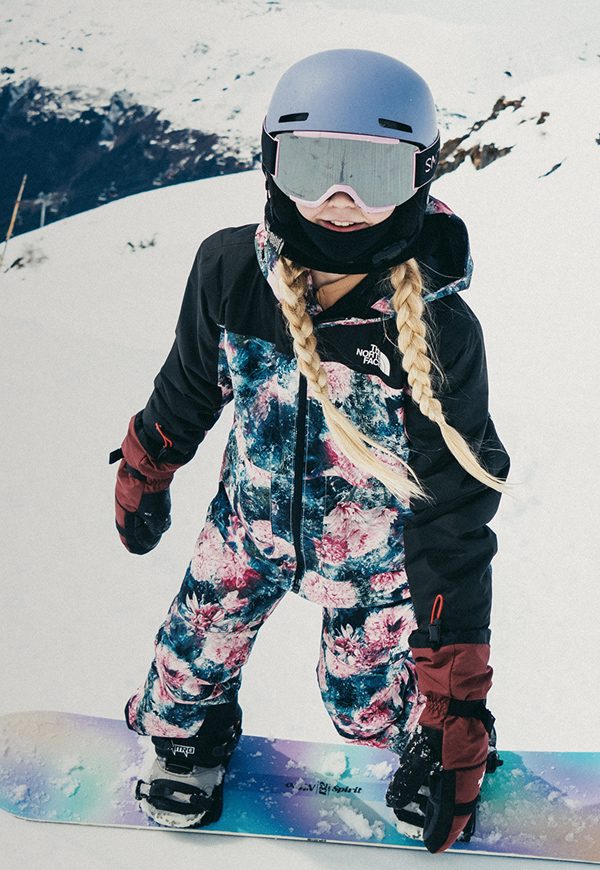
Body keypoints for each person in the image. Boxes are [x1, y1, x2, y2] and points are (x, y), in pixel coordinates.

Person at [110, 49, 510, 853]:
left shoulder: (434, 330)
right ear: (270, 160)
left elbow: (456, 511)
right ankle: (198, 730)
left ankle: (419, 747)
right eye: (316, 165)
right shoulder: (231, 271)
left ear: (422, 173)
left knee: (365, 712)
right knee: (175, 692)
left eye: (374, 174)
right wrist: (145, 465)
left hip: (373, 560)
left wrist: (453, 705)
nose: (341, 202)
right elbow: (189, 385)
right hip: (244, 538)